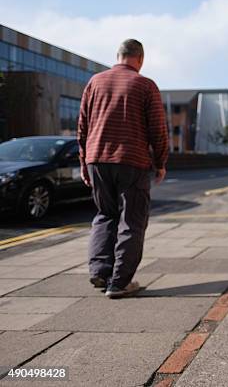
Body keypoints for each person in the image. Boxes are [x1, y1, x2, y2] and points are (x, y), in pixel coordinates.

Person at [77, 39, 168, 299]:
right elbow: (158, 130)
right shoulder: (145, 85)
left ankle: (100, 270)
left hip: (97, 160)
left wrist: (85, 162)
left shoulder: (94, 82)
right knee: (132, 220)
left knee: (105, 214)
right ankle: (119, 283)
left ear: (118, 56)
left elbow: (82, 127)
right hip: (132, 160)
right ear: (140, 58)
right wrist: (160, 163)